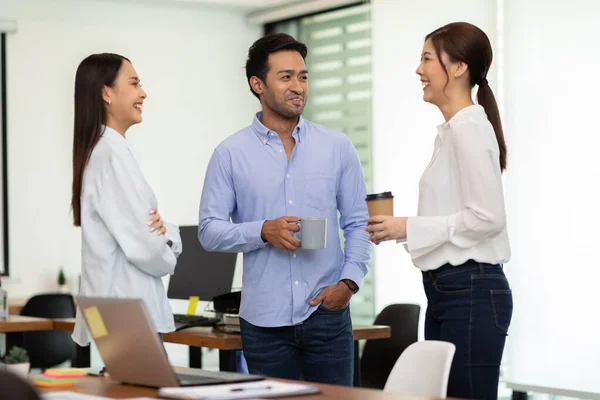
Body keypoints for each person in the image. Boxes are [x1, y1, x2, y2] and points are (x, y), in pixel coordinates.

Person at [198, 33, 371, 386]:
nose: (298, 87)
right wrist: (262, 230)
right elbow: (209, 230)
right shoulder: (230, 154)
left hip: (328, 314)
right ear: (257, 84)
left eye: (303, 76)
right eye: (286, 77)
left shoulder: (337, 147)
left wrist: (349, 282)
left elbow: (357, 222)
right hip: (264, 325)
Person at [366, 22, 513, 399]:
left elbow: (488, 218)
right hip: (449, 290)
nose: (419, 70)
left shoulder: (469, 129)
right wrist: (404, 229)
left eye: (427, 59)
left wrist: (407, 227)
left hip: (471, 290)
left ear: (459, 67)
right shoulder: (452, 131)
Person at [70, 53, 182, 347]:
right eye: (134, 83)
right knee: (144, 390)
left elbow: (138, 230)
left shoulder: (102, 152)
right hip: (128, 313)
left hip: (110, 310)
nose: (143, 92)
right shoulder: (112, 156)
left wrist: (160, 231)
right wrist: (170, 240)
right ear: (106, 93)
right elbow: (146, 246)